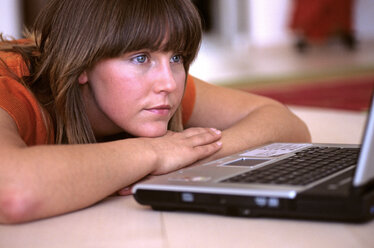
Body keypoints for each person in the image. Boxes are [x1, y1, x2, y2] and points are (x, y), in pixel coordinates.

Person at [0, 0, 310, 224]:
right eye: (140, 58)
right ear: (83, 63)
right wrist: (153, 153)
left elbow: (285, 123)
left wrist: (190, 153)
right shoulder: (9, 85)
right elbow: (12, 192)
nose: (168, 83)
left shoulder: (152, 90)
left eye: (177, 57)